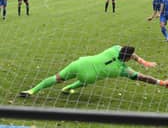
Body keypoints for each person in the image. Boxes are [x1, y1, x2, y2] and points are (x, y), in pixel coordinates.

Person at [20, 45, 168, 98]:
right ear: (127, 58)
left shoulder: (114, 48)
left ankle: (32, 91)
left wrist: (142, 61)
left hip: (80, 63)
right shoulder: (122, 70)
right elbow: (142, 78)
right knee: (83, 81)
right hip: (88, 76)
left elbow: (129, 52)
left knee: (56, 77)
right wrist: (161, 82)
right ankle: (69, 88)